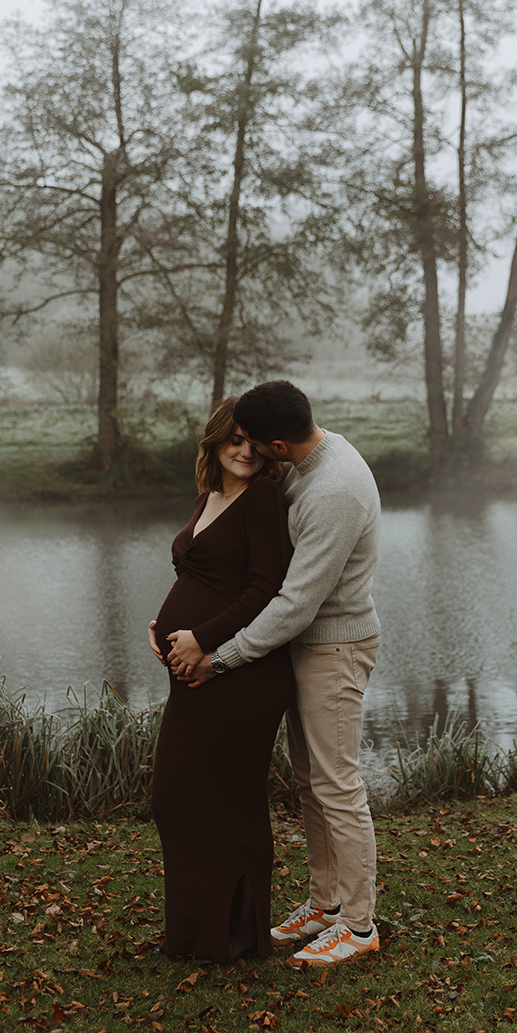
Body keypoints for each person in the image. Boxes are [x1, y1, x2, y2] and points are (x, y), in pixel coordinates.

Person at [165, 381, 381, 968]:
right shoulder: (307, 462)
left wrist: (220, 655)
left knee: (337, 785)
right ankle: (324, 903)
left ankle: (359, 926)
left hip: (332, 647)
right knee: (312, 784)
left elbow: (293, 603)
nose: (255, 458)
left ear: (280, 444)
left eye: (260, 448)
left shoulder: (334, 491)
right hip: (302, 648)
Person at [148, 397, 294, 963]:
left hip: (242, 674)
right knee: (178, 800)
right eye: (233, 439)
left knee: (225, 800)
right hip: (196, 670)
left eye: (253, 442)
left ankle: (233, 937)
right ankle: (193, 936)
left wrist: (202, 638)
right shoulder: (210, 494)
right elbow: (196, 572)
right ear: (213, 442)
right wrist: (162, 626)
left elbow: (264, 589)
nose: (244, 450)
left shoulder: (263, 499)